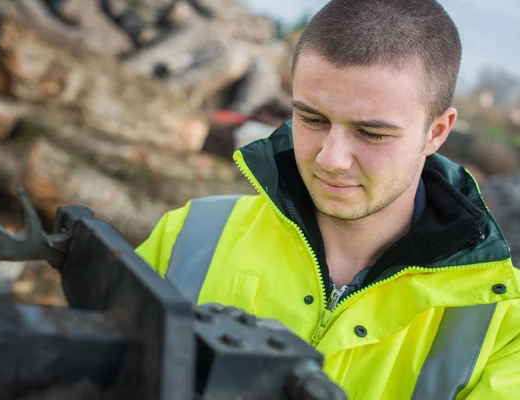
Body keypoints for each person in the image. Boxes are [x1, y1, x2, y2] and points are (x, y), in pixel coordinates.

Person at [135, 1, 520, 398]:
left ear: (436, 133)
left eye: (372, 133)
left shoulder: (504, 327)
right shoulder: (191, 235)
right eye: (313, 120)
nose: (331, 159)